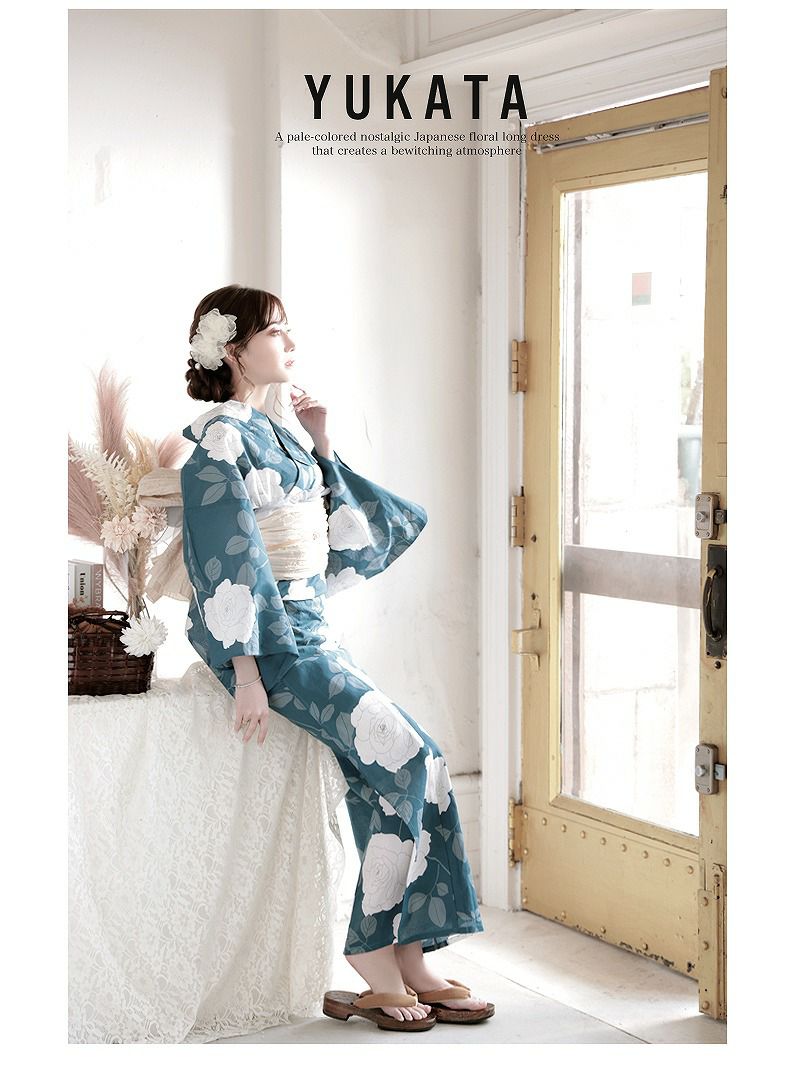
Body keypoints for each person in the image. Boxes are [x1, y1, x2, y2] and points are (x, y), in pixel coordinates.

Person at [179, 284, 494, 1032]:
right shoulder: (217, 440)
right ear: (233, 349)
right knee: (410, 759)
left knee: (420, 768)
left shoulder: (277, 432)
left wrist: (321, 444)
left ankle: (408, 957)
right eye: (276, 332)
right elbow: (226, 558)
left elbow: (335, 531)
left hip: (315, 633)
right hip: (276, 644)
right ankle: (372, 957)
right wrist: (247, 673)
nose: (291, 343)